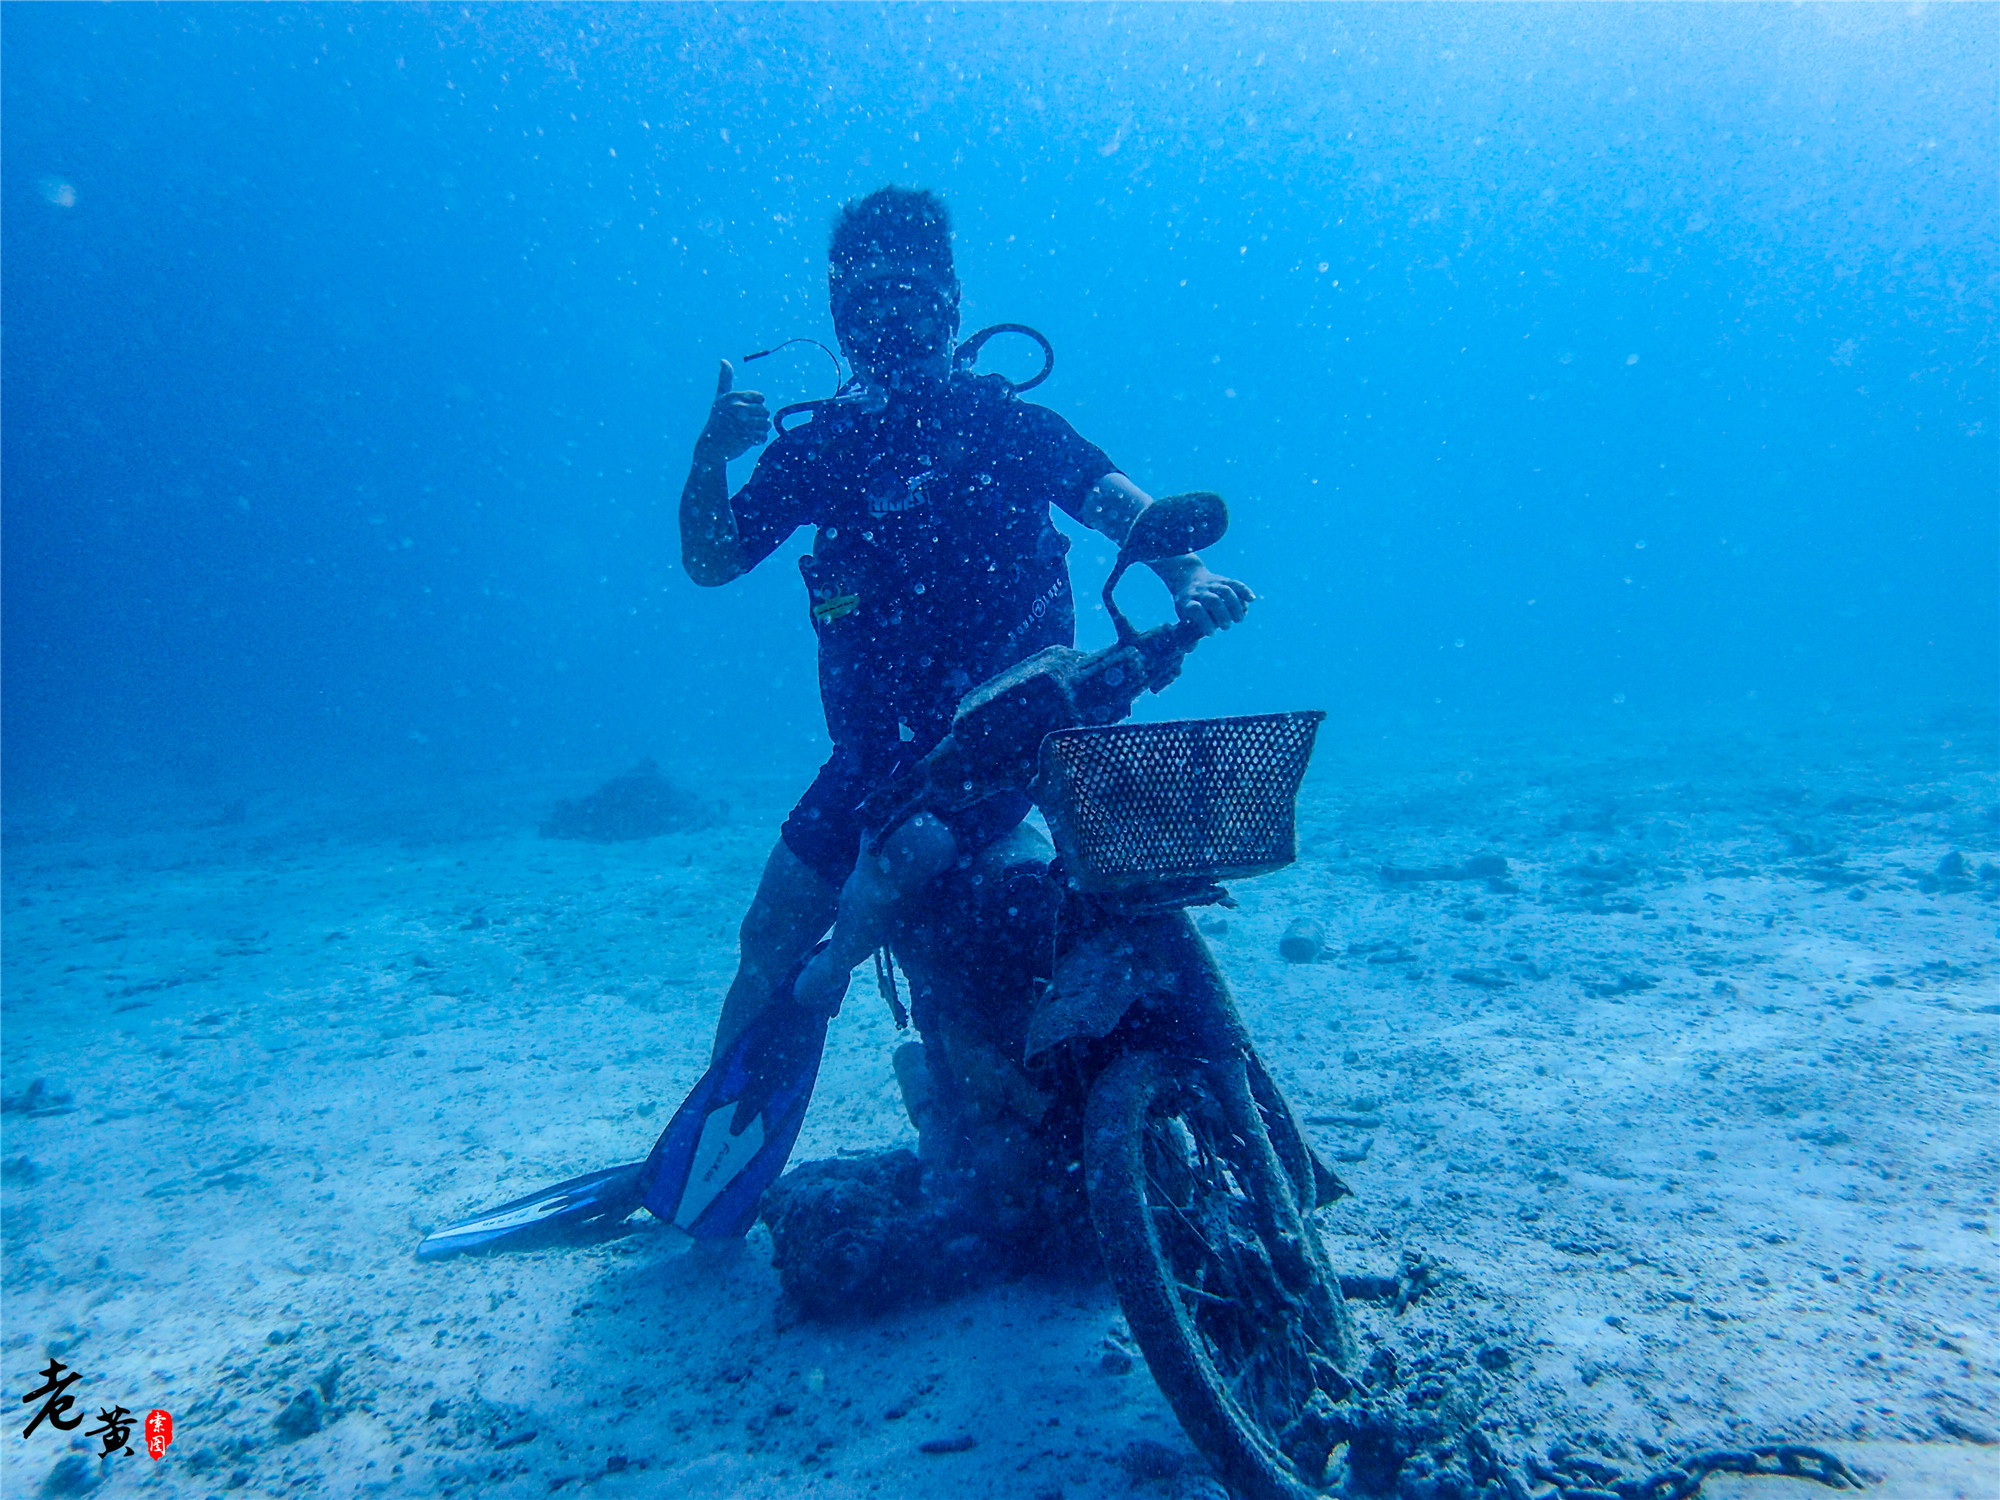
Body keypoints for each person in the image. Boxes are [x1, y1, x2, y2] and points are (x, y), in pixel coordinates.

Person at [678, 186, 1252, 1061]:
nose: (891, 320)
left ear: (948, 303)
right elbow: (712, 562)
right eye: (868, 301)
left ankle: (851, 986)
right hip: (873, 763)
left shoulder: (1011, 428)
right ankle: (712, 1150)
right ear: (841, 317)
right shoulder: (821, 451)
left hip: (1013, 746)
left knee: (915, 861)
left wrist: (1191, 572)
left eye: (908, 294)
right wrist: (709, 460)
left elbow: (1122, 510)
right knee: (766, 934)